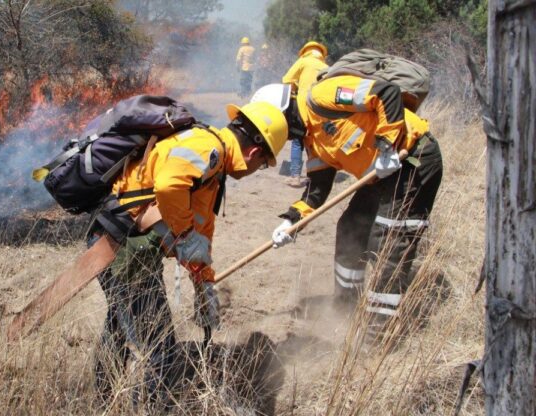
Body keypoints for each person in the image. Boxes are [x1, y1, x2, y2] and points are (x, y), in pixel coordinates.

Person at [92, 99, 289, 409]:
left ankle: (104, 403)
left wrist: (204, 284)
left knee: (119, 323)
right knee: (161, 348)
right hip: (122, 245)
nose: (257, 170)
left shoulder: (213, 171)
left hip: (126, 244)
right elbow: (169, 188)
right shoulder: (207, 148)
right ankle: (153, 407)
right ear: (254, 153)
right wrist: (183, 237)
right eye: (263, 164)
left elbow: (200, 232)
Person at [271, 74, 443, 338]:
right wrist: (293, 220)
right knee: (351, 226)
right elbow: (317, 191)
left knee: (388, 240)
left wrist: (386, 145)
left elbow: (386, 92)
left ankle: (379, 331)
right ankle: (346, 305)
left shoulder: (323, 96)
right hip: (380, 175)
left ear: (286, 112)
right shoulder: (312, 143)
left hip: (412, 159)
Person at [281, 41, 329, 188]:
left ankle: (295, 176)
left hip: (303, 105)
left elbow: (286, 80)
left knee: (298, 139)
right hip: (321, 108)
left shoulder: (303, 61)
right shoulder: (327, 68)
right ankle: (315, 178)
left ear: (306, 51)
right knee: (314, 142)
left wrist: (296, 87)